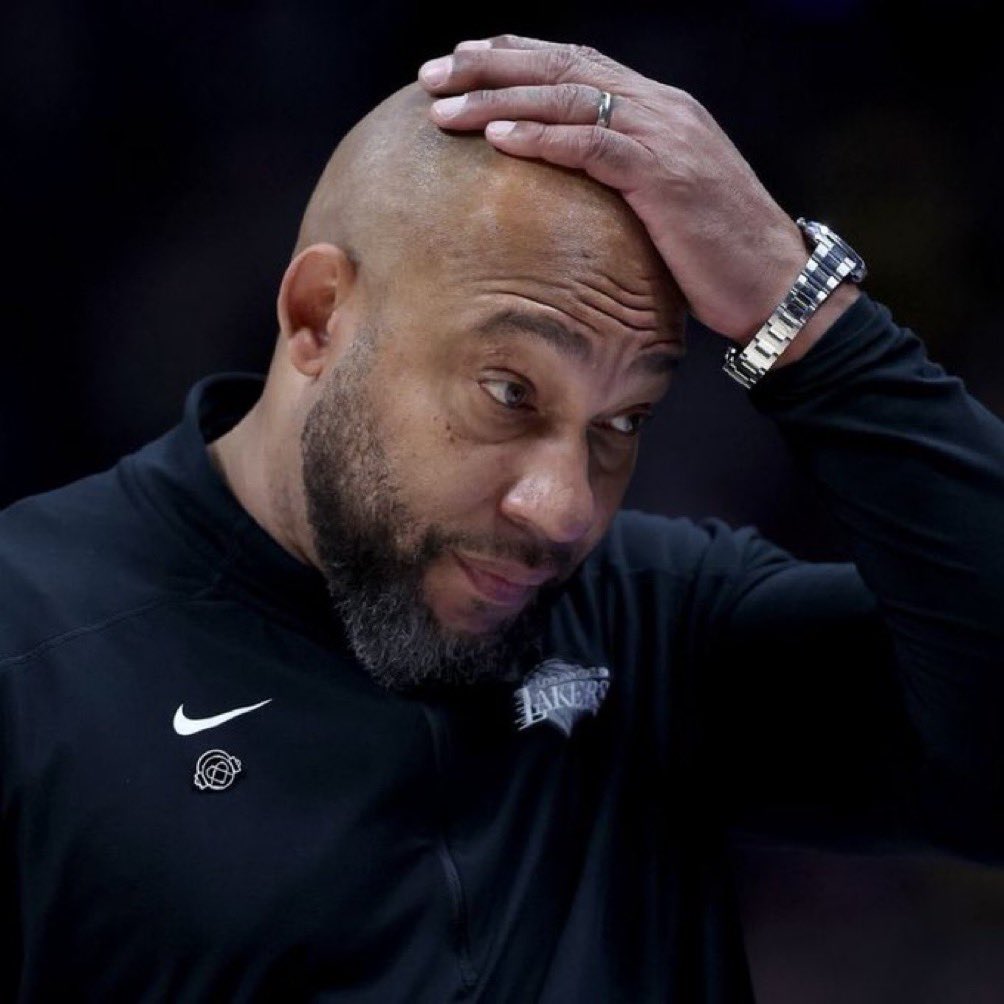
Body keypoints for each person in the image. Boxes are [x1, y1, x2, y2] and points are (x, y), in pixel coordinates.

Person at [1, 32, 1001, 1002]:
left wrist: (803, 308)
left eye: (621, 421)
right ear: (317, 316)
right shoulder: (31, 648)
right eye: (509, 392)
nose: (563, 509)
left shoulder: (656, 623)